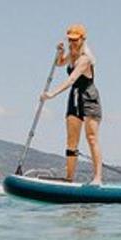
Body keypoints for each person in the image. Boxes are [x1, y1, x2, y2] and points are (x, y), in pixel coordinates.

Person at [40, 23, 103, 184]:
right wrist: (60, 53)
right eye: (70, 40)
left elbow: (72, 79)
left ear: (83, 39)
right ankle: (69, 178)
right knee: (71, 140)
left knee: (91, 138)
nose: (72, 43)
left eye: (75, 40)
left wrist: (52, 93)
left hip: (89, 98)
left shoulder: (85, 58)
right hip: (74, 98)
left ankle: (97, 178)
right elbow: (59, 63)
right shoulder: (72, 54)